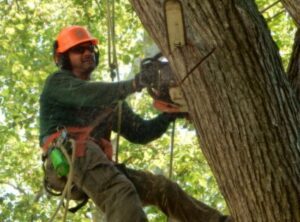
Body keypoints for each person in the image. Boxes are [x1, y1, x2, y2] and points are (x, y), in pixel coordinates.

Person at [39, 25, 231, 222]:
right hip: (69, 155)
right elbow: (88, 94)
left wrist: (170, 115)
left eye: (90, 48)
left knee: (162, 188)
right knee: (119, 192)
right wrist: (135, 84)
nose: (87, 52)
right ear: (63, 57)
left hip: (94, 164)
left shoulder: (109, 102)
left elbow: (141, 132)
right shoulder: (58, 83)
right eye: (79, 49)